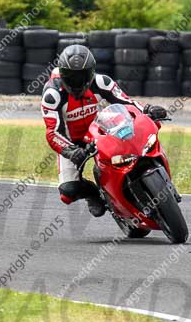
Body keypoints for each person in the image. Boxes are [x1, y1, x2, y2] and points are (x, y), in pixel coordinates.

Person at [41, 44, 168, 216]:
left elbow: (127, 102)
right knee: (67, 192)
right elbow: (52, 132)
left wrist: (148, 110)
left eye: (82, 76)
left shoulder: (102, 82)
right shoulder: (52, 95)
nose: (77, 82)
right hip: (73, 142)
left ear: (91, 72)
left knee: (138, 140)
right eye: (71, 77)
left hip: (101, 128)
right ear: (63, 74)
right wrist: (70, 151)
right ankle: (93, 193)